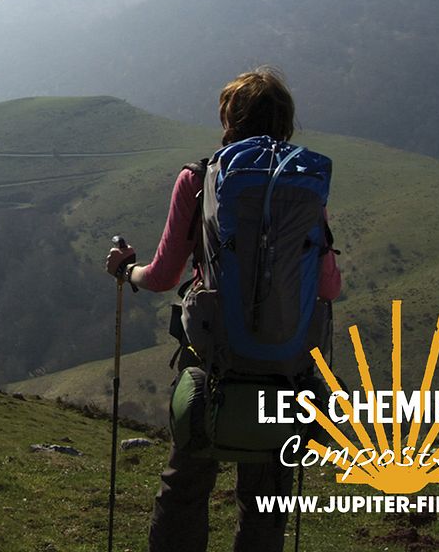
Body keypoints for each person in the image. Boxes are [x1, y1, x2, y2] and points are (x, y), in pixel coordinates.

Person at [105, 65, 341, 552]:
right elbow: (329, 287)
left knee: (185, 487)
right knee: (266, 503)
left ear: (229, 118)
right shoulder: (305, 186)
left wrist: (126, 272)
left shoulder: (199, 178)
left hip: (213, 365)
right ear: (286, 122)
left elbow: (165, 275)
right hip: (285, 370)